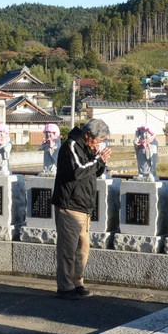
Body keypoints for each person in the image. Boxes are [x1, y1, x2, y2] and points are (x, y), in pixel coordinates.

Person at [51, 120, 112, 299]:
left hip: (84, 205)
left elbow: (93, 172)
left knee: (83, 248)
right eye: (98, 140)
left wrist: (101, 162)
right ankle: (65, 287)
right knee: (67, 249)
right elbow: (77, 171)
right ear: (88, 135)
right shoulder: (70, 146)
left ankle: (77, 281)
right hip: (69, 205)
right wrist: (97, 160)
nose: (99, 144)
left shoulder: (88, 147)